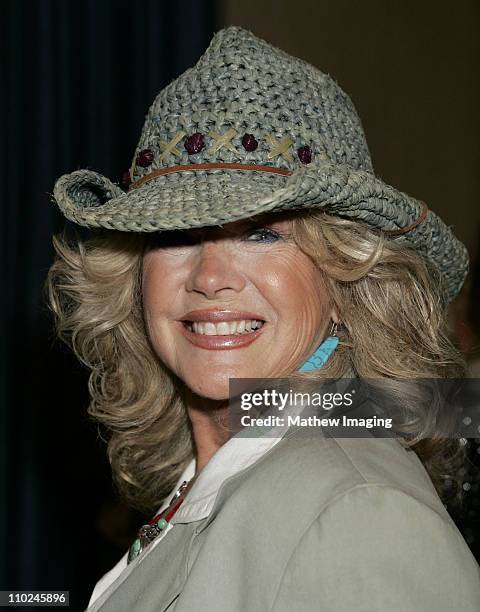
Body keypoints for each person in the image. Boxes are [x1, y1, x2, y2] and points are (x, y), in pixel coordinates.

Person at [46, 26, 480, 611]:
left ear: (343, 278)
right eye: (175, 236)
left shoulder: (355, 510)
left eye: (262, 233)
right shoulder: (217, 483)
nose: (208, 276)